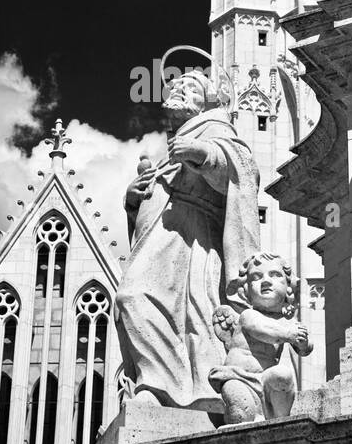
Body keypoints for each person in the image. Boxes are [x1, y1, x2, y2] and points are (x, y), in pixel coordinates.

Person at [116, 71, 261, 411]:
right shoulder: (175, 141)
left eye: (190, 85)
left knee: (171, 309)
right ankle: (154, 385)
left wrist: (202, 153)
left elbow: (244, 172)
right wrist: (133, 199)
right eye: (176, 85)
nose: (179, 88)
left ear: (208, 99)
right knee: (131, 301)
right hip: (160, 241)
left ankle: (178, 388)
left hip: (194, 239)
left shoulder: (216, 128)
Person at [209, 251, 312, 424]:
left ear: (288, 287)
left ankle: (279, 422)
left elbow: (306, 349)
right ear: (246, 290)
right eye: (256, 277)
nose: (265, 281)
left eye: (275, 275)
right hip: (238, 377)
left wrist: (303, 343)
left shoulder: (287, 322)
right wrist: (289, 334)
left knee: (283, 374)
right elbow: (261, 330)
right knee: (241, 412)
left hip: (266, 382)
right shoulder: (248, 315)